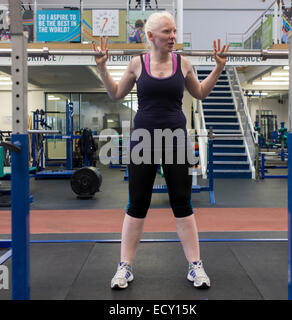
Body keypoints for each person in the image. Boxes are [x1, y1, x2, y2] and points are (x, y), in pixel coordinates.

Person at [93, 11, 228, 290]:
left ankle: (195, 266)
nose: (173, 36)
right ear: (151, 36)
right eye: (167, 32)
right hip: (143, 139)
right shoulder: (137, 64)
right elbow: (116, 94)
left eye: (174, 31)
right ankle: (124, 267)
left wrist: (218, 68)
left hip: (177, 138)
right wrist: (102, 68)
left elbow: (200, 93)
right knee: (137, 204)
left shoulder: (184, 63)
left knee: (182, 203)